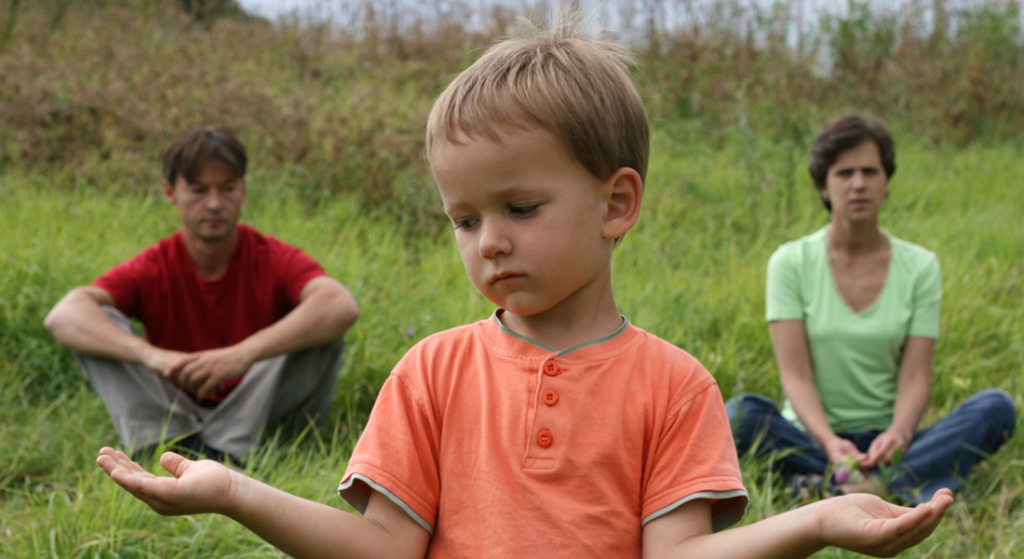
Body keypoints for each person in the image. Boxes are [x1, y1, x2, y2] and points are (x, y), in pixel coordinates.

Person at [95, 12, 953, 559]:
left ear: (617, 201)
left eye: (520, 205)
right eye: (464, 219)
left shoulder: (673, 384)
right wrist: (230, 490)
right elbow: (384, 545)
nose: (490, 242)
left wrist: (816, 523)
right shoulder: (431, 371)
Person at [727, 115, 1016, 503]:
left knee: (996, 407)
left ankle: (842, 485)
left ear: (886, 182)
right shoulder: (790, 263)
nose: (859, 183)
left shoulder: (920, 266)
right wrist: (830, 442)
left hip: (890, 442)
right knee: (739, 414)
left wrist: (897, 434)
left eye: (870, 171)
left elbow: (916, 377)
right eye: (845, 173)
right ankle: (884, 481)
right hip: (813, 436)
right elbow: (795, 378)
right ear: (824, 185)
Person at [46, 126, 359, 462]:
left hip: (257, 407)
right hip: (175, 405)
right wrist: (152, 356)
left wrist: (241, 354)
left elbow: (339, 304)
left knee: (321, 326)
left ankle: (231, 451)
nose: (214, 204)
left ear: (243, 190)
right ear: (170, 192)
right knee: (97, 320)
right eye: (198, 190)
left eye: (227, 189)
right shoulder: (157, 264)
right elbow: (63, 315)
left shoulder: (270, 256)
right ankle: (175, 443)